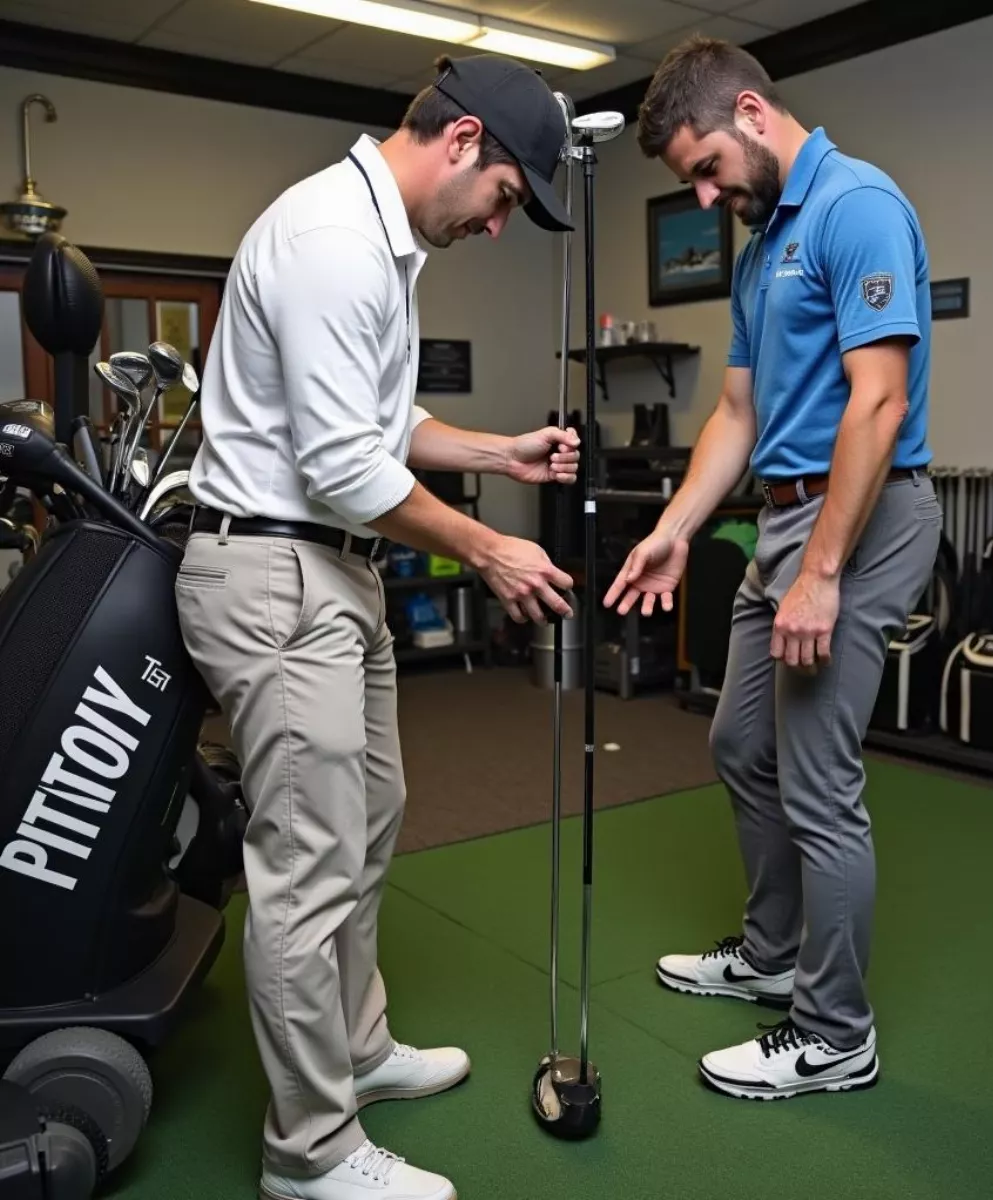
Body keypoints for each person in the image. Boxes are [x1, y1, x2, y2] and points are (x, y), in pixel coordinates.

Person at [176, 54, 579, 1200]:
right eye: (505, 196)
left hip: (331, 573)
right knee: (306, 863)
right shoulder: (332, 243)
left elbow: (383, 419)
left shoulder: (378, 240)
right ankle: (309, 1154)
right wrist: (491, 545)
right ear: (462, 144)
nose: (499, 224)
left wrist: (501, 450)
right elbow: (347, 463)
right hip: (275, 574)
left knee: (371, 817)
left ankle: (355, 1048)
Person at [606, 36, 941, 1101]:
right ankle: (774, 952)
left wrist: (824, 572)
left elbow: (878, 403)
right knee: (740, 739)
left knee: (819, 781)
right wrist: (678, 527)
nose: (706, 195)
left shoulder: (856, 207)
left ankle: (836, 1031)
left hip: (866, 522)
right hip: (785, 522)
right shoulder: (760, 248)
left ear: (752, 113)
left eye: (706, 168)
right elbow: (738, 415)